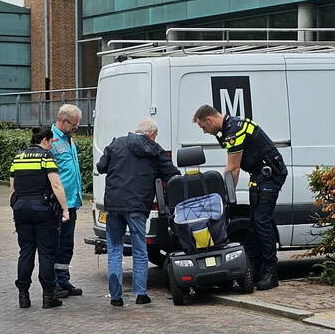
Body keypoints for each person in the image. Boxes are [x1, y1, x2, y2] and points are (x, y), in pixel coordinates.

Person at [193, 105, 286, 291]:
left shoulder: (234, 130)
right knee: (254, 224)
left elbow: (233, 168)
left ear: (210, 120)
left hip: (269, 176)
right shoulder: (230, 127)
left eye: (203, 127)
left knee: (262, 222)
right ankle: (257, 268)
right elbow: (231, 168)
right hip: (260, 177)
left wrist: (225, 196)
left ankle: (270, 272)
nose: (205, 132)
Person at [96, 118, 179, 306]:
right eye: (155, 136)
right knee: (140, 249)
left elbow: (101, 167)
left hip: (115, 205)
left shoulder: (116, 144)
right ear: (151, 134)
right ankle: (141, 294)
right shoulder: (154, 150)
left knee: (115, 248)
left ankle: (116, 296)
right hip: (138, 207)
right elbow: (172, 174)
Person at [9, 127, 71, 309]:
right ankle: (48, 297)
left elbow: (12, 189)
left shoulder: (18, 157)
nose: (52, 146)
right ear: (45, 140)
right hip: (42, 211)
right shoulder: (46, 157)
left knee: (26, 252)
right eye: (51, 142)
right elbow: (56, 185)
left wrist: (16, 207)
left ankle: (23, 296)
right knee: (46, 253)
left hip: (21, 209)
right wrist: (65, 210)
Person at [50, 104, 84, 298]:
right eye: (74, 125)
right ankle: (53, 283)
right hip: (58, 205)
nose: (76, 128)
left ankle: (63, 279)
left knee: (66, 244)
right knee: (55, 243)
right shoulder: (51, 140)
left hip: (72, 203)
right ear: (63, 121)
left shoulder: (69, 139)